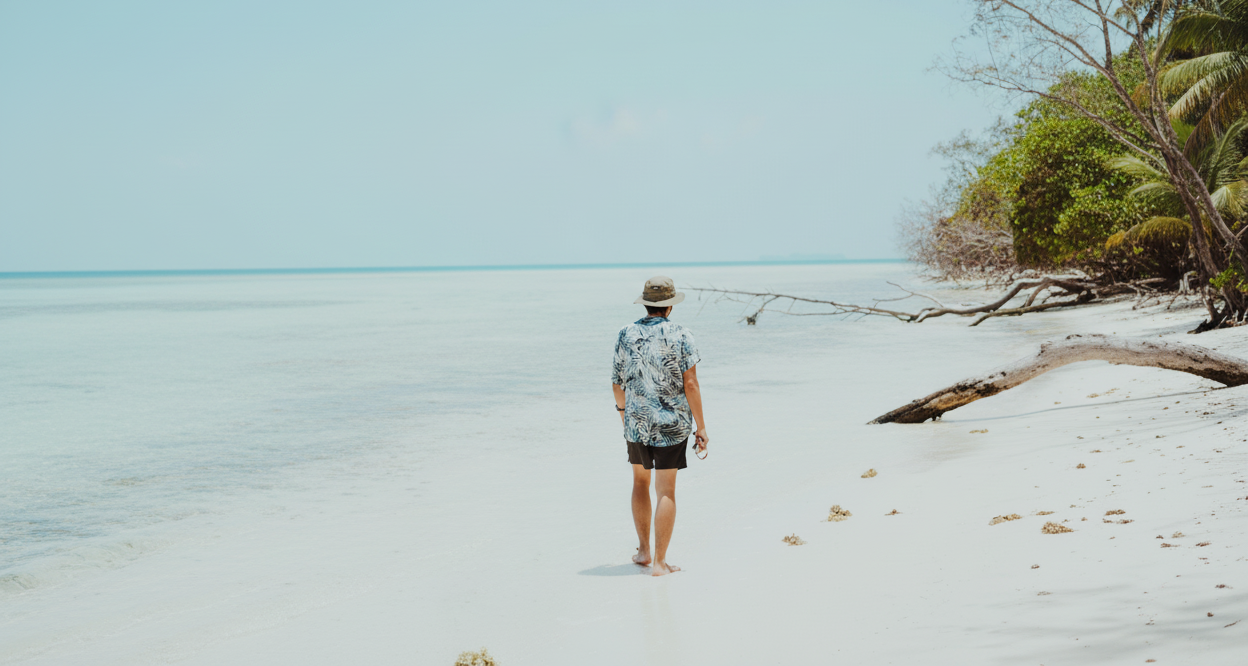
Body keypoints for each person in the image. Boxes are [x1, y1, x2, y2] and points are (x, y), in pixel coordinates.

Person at [611, 276, 708, 576]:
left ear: (646, 303)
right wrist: (701, 427)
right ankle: (659, 563)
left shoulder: (626, 333)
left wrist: (624, 414)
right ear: (669, 306)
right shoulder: (682, 334)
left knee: (639, 483)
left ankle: (643, 551)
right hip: (671, 426)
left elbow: (617, 383)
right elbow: (690, 383)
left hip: (636, 423)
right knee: (665, 490)